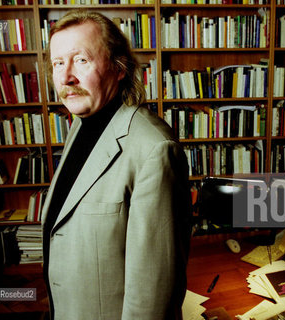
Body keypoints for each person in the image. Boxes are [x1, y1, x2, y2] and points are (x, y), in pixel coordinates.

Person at [41, 9, 191, 320]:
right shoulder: (82, 125)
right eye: (58, 63)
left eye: (81, 60)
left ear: (118, 67)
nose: (66, 76)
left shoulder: (154, 149)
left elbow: (152, 297)